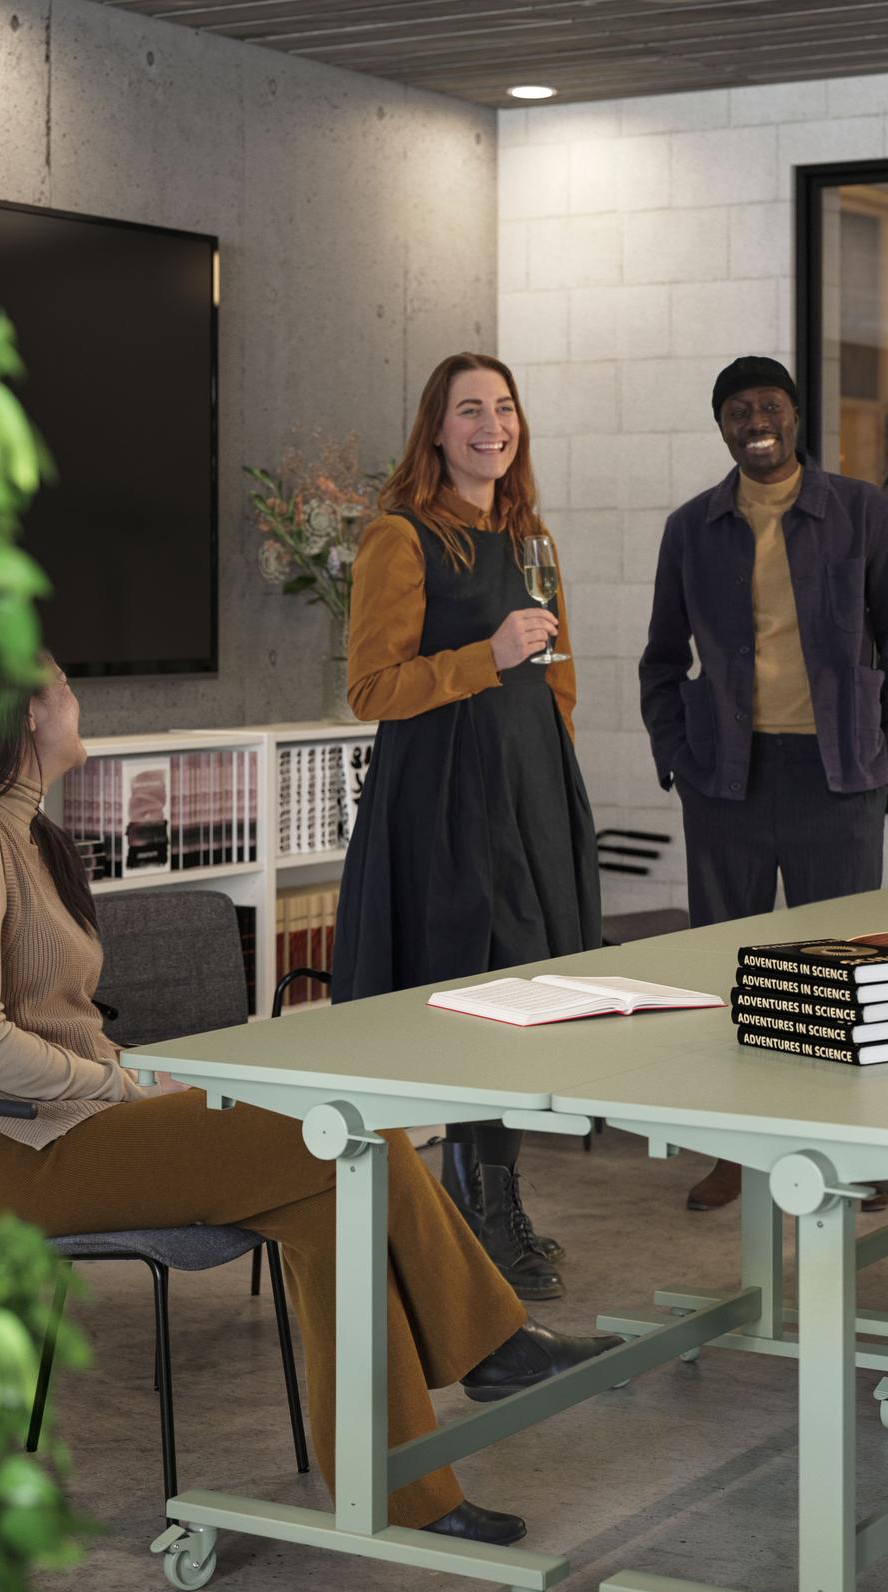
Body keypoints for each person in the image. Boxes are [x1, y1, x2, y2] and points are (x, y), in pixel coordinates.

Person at [0, 643, 618, 1547]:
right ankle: (491, 1347)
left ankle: (402, 1487)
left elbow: (57, 1018)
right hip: (20, 1151)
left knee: (334, 1188)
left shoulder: (30, 833)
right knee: (338, 1133)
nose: (74, 702)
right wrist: (118, 1081)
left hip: (83, 1122)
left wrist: (124, 1077)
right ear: (24, 712)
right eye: (63, 687)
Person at [332, 352, 601, 1303]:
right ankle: (475, 1211)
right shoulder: (397, 539)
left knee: (526, 998)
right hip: (441, 801)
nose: (493, 424)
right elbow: (371, 689)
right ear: (436, 430)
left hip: (528, 794)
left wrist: (552, 770)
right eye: (470, 410)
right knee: (467, 999)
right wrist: (483, 656)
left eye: (506, 408)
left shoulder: (531, 540)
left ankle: (493, 1199)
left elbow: (557, 677)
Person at [639, 356, 888, 1211]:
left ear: (795, 418)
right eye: (737, 411)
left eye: (769, 406)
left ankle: (846, 1149)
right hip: (726, 776)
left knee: (839, 969)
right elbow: (660, 658)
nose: (755, 421)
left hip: (837, 774)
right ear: (721, 426)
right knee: (729, 964)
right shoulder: (692, 527)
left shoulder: (861, 511)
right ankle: (732, 1150)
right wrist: (676, 758)